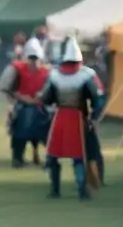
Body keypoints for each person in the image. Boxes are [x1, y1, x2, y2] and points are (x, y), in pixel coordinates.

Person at [37, 37, 105, 200]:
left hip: (60, 117)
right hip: (78, 118)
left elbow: (46, 97)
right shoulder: (87, 75)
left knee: (53, 155)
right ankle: (82, 189)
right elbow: (97, 97)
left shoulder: (54, 75)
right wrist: (94, 115)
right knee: (78, 155)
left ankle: (55, 189)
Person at [0, 38, 51, 168]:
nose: (33, 61)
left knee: (44, 134)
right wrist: (19, 97)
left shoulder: (47, 71)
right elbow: (6, 87)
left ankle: (44, 158)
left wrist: (41, 98)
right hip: (23, 105)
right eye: (31, 58)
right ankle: (18, 158)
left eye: (35, 58)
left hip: (40, 106)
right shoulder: (16, 68)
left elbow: (50, 88)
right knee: (19, 134)